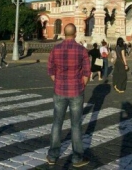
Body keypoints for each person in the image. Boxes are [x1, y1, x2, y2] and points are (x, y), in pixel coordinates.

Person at [47, 23, 90, 167]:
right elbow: (86, 74)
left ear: (64, 33)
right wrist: (81, 85)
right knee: (76, 125)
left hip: (59, 91)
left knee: (56, 123)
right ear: (75, 33)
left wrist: (58, 81)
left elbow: (51, 70)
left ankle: (52, 156)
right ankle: (77, 158)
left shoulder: (55, 49)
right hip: (76, 91)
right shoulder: (82, 50)